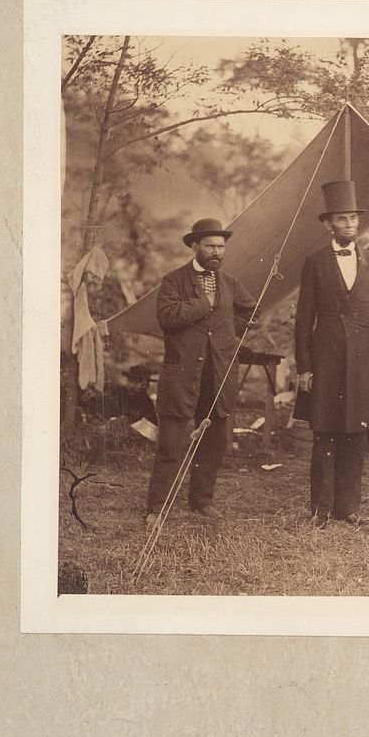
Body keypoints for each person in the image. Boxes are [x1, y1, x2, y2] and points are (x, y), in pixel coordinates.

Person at [145, 218, 257, 529]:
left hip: (218, 374)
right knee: (171, 442)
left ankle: (202, 500)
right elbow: (166, 318)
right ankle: (157, 507)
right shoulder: (173, 281)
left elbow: (252, 310)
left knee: (215, 439)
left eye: (221, 247)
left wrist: (228, 333)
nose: (216, 252)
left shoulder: (231, 283)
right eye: (209, 246)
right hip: (181, 374)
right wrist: (201, 305)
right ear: (195, 246)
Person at [295, 180, 369, 526]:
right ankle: (320, 507)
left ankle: (348, 508)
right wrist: (304, 366)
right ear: (328, 224)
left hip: (363, 361)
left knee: (356, 433)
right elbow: (304, 318)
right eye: (342, 219)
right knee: (325, 432)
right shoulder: (315, 263)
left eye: (353, 218)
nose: (349, 224)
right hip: (325, 358)